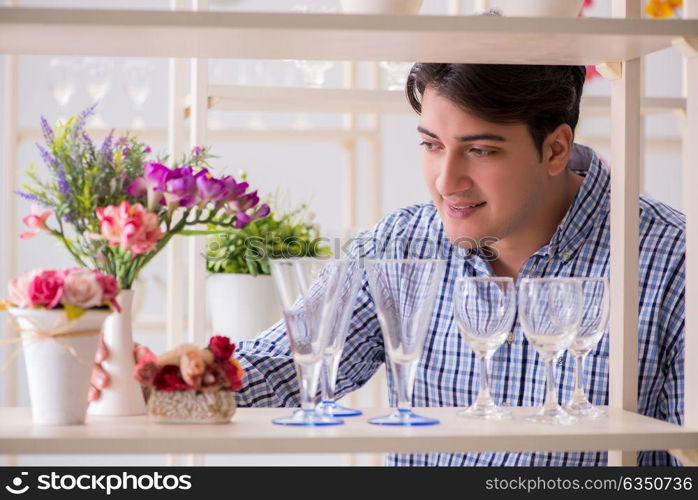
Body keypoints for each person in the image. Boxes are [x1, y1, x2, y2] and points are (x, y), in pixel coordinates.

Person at [91, 62, 685, 466]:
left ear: (554, 148)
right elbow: (292, 367)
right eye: (431, 145)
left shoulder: (673, 259)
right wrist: (167, 380)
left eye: (480, 150)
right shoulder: (403, 242)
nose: (446, 181)